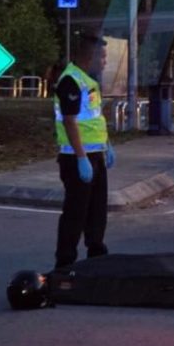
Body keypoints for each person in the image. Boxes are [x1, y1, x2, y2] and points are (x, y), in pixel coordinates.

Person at [53, 30, 115, 269]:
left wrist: (107, 146)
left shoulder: (89, 81)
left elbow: (94, 119)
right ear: (90, 57)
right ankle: (65, 261)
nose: (105, 62)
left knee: (97, 209)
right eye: (103, 57)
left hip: (95, 155)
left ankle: (96, 254)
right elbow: (70, 122)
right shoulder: (70, 81)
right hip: (76, 158)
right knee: (76, 212)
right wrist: (81, 157)